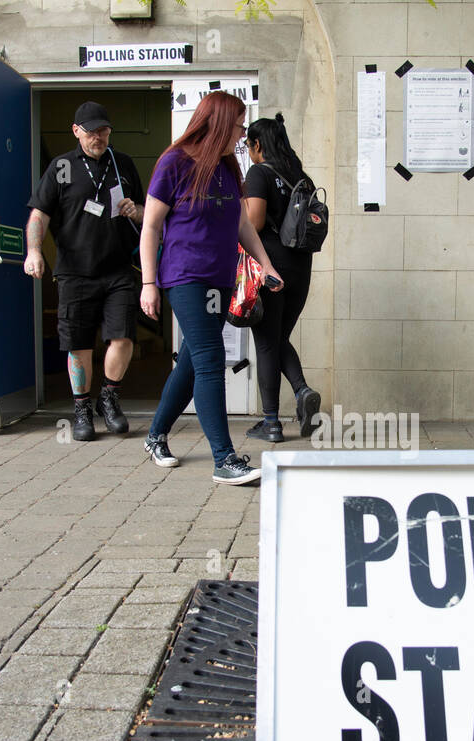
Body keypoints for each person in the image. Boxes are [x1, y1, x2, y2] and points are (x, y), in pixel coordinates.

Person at [139, 92, 283, 486]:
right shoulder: (174, 163)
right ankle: (224, 459)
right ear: (218, 122)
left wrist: (266, 266)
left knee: (190, 362)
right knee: (209, 358)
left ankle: (155, 436)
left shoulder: (225, 167)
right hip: (185, 277)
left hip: (220, 279)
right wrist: (148, 283)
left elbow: (242, 225)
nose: (241, 133)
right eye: (238, 124)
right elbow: (151, 226)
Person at [24, 101, 144, 442]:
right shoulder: (61, 167)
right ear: (76, 131)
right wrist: (34, 251)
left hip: (119, 269)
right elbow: (39, 214)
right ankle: (81, 409)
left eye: (104, 131)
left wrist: (136, 211)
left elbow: (148, 213)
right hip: (75, 272)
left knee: (123, 338)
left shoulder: (122, 165)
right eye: (92, 132)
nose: (99, 137)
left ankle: (109, 398)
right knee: (78, 345)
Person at [241, 115, 322, 442]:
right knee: (277, 338)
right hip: (301, 269)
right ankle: (302, 392)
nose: (247, 152)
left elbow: (255, 222)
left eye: (247, 145)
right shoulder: (301, 176)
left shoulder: (259, 173)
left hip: (270, 268)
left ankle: (271, 422)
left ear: (257, 144)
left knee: (266, 342)